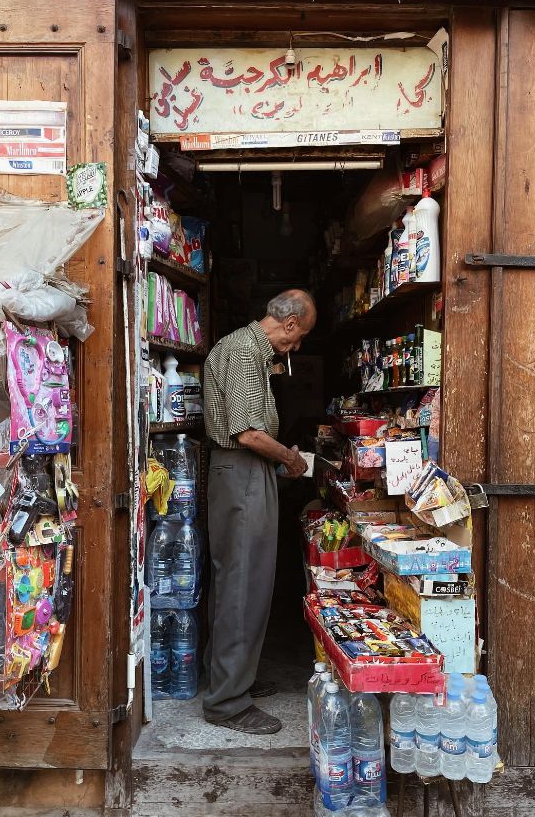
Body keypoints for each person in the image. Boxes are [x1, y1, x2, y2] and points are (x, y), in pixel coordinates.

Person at [202, 289, 317, 735]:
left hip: (245, 473)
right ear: (289, 324)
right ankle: (228, 701)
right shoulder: (245, 350)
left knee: (238, 579)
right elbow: (248, 433)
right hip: (242, 471)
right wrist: (289, 459)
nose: (298, 345)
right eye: (301, 335)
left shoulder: (247, 348)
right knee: (243, 583)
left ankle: (233, 677)